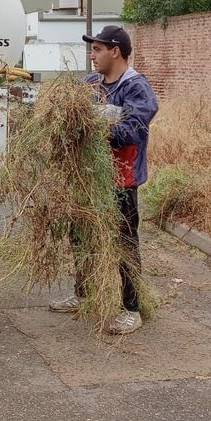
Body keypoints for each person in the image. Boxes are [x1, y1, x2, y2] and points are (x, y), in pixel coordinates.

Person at [50, 25, 159, 335]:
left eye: (97, 49)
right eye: (92, 49)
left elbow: (134, 130)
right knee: (81, 236)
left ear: (116, 51)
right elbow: (70, 112)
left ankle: (131, 309)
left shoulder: (136, 88)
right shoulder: (91, 83)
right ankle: (83, 294)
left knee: (123, 243)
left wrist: (92, 126)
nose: (92, 54)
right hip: (89, 179)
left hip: (120, 180)